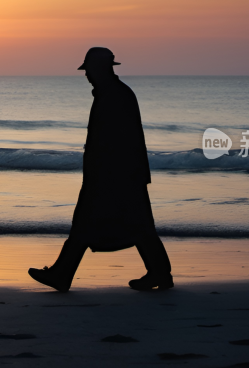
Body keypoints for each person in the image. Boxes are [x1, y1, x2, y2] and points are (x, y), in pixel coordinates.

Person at [28, 47, 173, 292]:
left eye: (89, 70)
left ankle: (62, 274)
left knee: (89, 225)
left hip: (114, 175)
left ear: (100, 69)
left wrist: (100, 175)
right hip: (124, 174)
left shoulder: (113, 96)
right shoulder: (115, 93)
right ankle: (160, 273)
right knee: (138, 226)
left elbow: (113, 142)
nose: (86, 75)